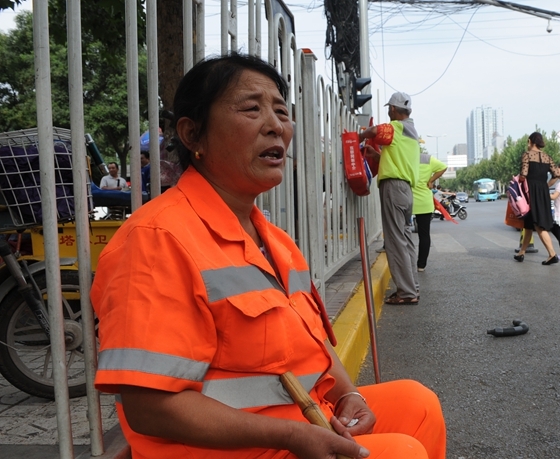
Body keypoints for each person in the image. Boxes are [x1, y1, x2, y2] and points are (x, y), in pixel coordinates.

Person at [91, 53, 445, 459]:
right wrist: (290, 436)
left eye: (281, 111)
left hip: (303, 420)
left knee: (419, 404)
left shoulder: (275, 239)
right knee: (401, 451)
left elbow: (315, 344)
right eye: (251, 109)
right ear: (192, 135)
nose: (276, 125)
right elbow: (149, 408)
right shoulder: (155, 239)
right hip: (233, 447)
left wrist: (349, 395)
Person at [360, 92, 420, 305]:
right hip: (406, 190)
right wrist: (377, 156)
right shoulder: (411, 133)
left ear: (393, 109)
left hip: (393, 188)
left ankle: (406, 292)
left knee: (394, 241)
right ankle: (412, 285)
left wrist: (358, 137)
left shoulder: (396, 127)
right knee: (405, 240)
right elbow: (396, 157)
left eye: (389, 108)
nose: (388, 111)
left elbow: (375, 131)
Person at [514, 132, 559, 265]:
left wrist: (519, 180)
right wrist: (545, 186)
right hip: (543, 191)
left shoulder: (527, 155)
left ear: (530, 141)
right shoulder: (547, 157)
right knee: (529, 223)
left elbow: (524, 174)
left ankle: (552, 254)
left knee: (538, 224)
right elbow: (556, 174)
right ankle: (522, 252)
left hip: (531, 191)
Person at [414, 152, 447, 271]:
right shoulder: (426, 158)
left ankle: (404, 264)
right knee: (424, 234)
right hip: (424, 202)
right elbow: (443, 167)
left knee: (401, 234)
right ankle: (421, 265)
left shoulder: (402, 154)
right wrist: (431, 180)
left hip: (405, 200)